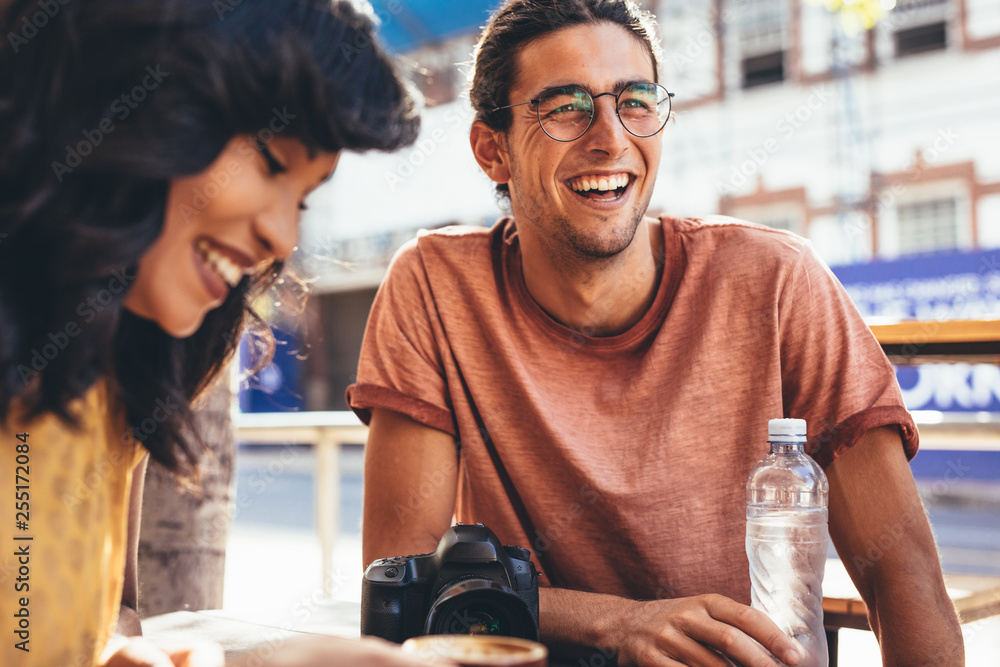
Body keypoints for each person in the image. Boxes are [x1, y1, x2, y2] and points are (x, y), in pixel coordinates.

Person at [349, 0, 965, 665]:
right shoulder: (434, 286)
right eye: (566, 107)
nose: (611, 138)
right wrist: (616, 623)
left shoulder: (778, 280)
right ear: (491, 149)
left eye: (635, 101)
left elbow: (902, 574)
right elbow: (399, 585)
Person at [0, 1, 451, 665]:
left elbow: (62, 635)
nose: (283, 236)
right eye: (271, 161)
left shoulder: (116, 384)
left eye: (303, 198)